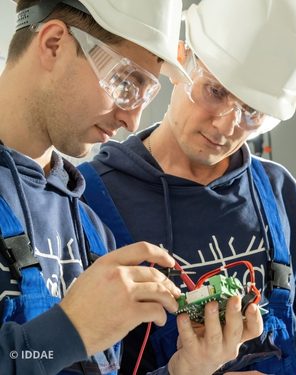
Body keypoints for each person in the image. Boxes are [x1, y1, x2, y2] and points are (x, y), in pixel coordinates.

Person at [79, 0, 296, 374]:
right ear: (181, 59)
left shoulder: (277, 188)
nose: (225, 126)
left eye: (250, 112)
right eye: (215, 91)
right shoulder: (90, 195)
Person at [0, 0, 262, 374]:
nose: (132, 119)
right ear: (54, 43)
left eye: (146, 94)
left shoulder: (91, 229)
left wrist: (187, 369)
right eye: (125, 83)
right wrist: (67, 332)